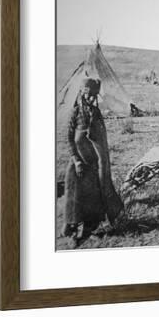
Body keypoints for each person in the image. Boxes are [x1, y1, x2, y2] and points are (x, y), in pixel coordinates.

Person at [62, 78, 124, 243]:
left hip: (93, 164)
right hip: (78, 163)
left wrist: (101, 164)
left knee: (93, 197)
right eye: (89, 95)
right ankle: (72, 227)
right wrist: (76, 161)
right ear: (82, 92)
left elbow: (101, 141)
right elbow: (69, 139)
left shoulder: (96, 113)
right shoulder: (75, 113)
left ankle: (90, 228)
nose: (91, 99)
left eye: (94, 96)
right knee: (73, 194)